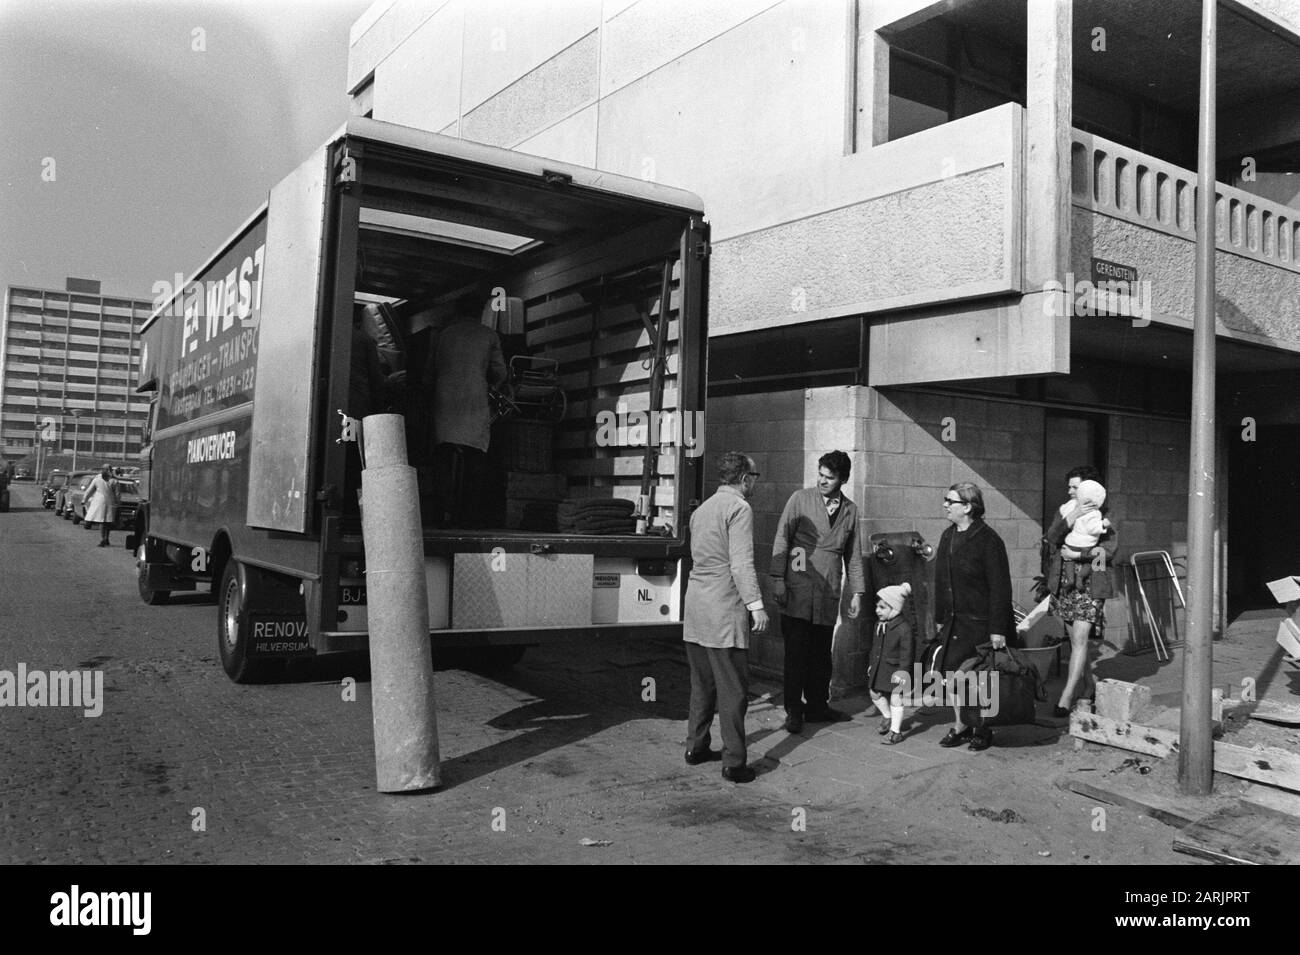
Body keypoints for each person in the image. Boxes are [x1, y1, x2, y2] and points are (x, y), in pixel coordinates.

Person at [683, 451, 769, 784]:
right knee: (733, 689)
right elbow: (741, 564)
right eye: (755, 477)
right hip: (723, 609)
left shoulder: (702, 510)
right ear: (745, 479)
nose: (755, 483)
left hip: (696, 607)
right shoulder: (739, 508)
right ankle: (734, 762)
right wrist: (756, 605)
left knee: (702, 684)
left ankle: (696, 747)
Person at [770, 450, 865, 734]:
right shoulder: (800, 499)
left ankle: (817, 706)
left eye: (830, 477)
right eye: (820, 474)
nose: (823, 481)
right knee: (796, 652)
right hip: (798, 584)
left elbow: (854, 554)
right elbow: (781, 537)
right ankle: (793, 710)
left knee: (821, 652)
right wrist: (777, 577)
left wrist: (857, 592)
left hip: (828, 588)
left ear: (843, 480)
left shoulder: (850, 510)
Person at [928, 482, 1014, 751]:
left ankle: (982, 728)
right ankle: (961, 725)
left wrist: (998, 628)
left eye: (949, 501)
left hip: (981, 623)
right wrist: (940, 615)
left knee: (979, 679)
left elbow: (1001, 587)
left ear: (967, 507)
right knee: (953, 677)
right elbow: (940, 579)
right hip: (955, 622)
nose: (944, 505)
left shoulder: (989, 540)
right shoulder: (947, 536)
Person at [1044, 467, 1119, 717]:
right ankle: (1089, 685)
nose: (1070, 491)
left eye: (1075, 487)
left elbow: (1107, 554)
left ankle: (1066, 698)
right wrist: (1073, 514)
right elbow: (1052, 538)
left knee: (1079, 640)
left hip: (1091, 584)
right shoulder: (1067, 509)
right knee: (1077, 641)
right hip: (1064, 580)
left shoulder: (1106, 515)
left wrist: (1079, 555)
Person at [422, 309, 508, 527]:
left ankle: (440, 513)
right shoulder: (488, 334)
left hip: (445, 399)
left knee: (443, 454)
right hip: (474, 398)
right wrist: (493, 387)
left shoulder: (443, 334)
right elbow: (500, 371)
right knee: (474, 457)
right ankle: (467, 517)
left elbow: (429, 372)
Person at [868, 581, 914, 745]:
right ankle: (887, 716)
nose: (877, 610)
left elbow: (907, 654)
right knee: (874, 693)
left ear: (894, 608)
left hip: (896, 670)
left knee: (896, 698)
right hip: (880, 667)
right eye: (877, 606)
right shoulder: (879, 625)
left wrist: (903, 673)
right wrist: (871, 664)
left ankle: (896, 731)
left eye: (882, 607)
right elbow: (874, 647)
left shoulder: (904, 628)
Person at [81, 464, 119, 548]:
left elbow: (89, 491)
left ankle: (103, 539)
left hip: (100, 502)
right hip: (109, 502)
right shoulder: (114, 481)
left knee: (102, 521)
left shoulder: (97, 480)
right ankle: (106, 538)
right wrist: (118, 502)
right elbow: (117, 494)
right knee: (107, 521)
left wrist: (84, 500)